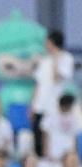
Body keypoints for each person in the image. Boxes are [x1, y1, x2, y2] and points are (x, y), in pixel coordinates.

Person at [30, 30, 74, 158]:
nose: (45, 45)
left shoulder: (67, 58)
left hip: (54, 106)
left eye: (48, 42)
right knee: (37, 137)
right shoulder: (44, 61)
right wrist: (33, 105)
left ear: (53, 43)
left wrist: (56, 59)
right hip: (40, 105)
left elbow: (57, 77)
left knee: (51, 136)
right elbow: (38, 84)